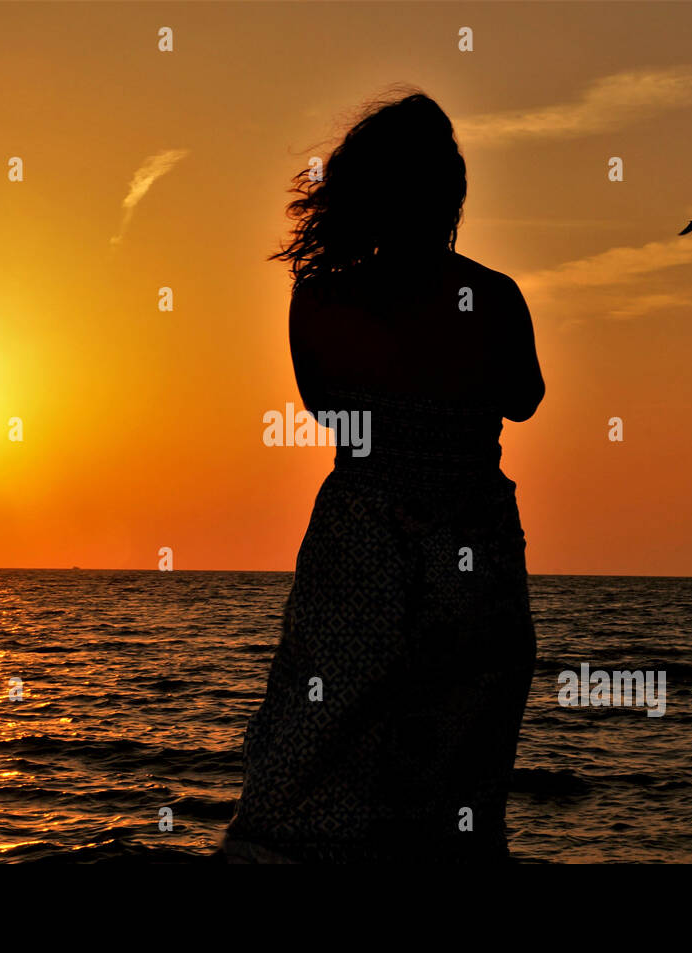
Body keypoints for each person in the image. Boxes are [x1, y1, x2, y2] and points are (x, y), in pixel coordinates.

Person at [221, 90, 545, 863]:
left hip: (363, 536)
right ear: (450, 194)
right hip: (471, 538)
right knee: (462, 756)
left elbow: (324, 405)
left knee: (318, 741)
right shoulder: (493, 296)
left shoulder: (323, 297)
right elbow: (525, 398)